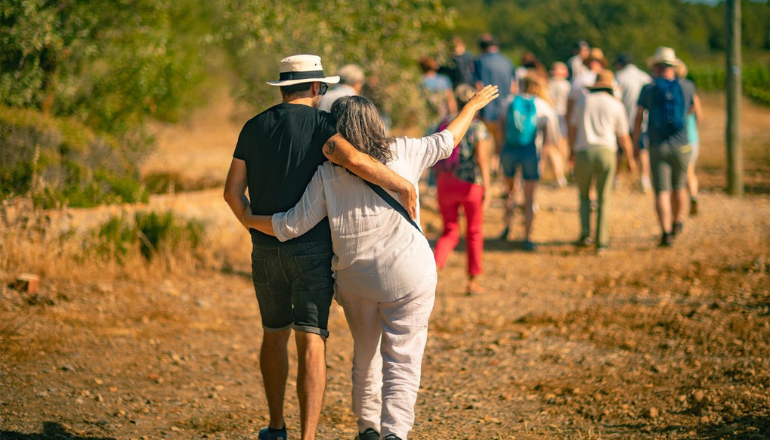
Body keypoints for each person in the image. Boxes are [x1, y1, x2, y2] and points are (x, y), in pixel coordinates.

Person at [242, 87, 500, 440]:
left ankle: (367, 426)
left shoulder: (326, 173)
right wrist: (472, 106)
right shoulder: (405, 151)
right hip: (408, 273)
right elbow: (448, 140)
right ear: (376, 122)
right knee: (403, 358)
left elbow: (291, 225)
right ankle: (394, 431)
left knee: (365, 355)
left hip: (356, 280)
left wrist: (248, 217)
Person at [223, 54, 418, 440]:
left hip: (265, 248)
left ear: (282, 88)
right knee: (311, 338)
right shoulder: (323, 126)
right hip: (311, 251)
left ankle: (276, 427)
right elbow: (354, 160)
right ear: (316, 88)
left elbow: (231, 192)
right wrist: (402, 184)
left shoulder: (253, 126)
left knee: (273, 333)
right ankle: (307, 437)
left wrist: (250, 221)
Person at [433, 85, 493, 295]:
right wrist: (488, 187)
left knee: (449, 231)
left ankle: (434, 270)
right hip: (470, 185)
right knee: (474, 231)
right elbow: (482, 160)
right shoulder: (477, 127)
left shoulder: (442, 123)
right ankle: (473, 282)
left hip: (445, 182)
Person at [633, 47, 697, 247]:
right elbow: (692, 110)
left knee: (661, 190)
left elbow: (638, 118)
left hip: (657, 146)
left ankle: (666, 232)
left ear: (655, 67)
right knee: (679, 187)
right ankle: (677, 222)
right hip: (682, 145)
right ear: (674, 67)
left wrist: (637, 143)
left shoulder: (648, 89)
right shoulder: (687, 86)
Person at [569, 70, 637, 253]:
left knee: (584, 195)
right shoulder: (616, 104)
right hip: (607, 152)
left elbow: (573, 128)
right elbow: (623, 136)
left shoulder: (583, 101)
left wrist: (571, 151)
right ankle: (602, 241)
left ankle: (585, 233)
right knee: (604, 198)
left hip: (584, 151)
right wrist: (630, 158)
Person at [497, 75, 560, 251]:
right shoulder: (542, 105)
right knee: (530, 196)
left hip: (509, 149)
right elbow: (549, 135)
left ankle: (507, 227)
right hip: (530, 152)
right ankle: (528, 236)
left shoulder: (509, 101)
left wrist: (500, 150)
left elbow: (500, 126)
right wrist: (544, 155)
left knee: (509, 191)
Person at [614, 53, 653, 192]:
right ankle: (644, 179)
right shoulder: (644, 77)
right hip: (643, 119)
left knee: (619, 150)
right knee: (643, 149)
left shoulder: (619, 77)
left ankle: (616, 179)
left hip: (623, 119)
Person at [473, 34, 515, 155]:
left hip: (487, 108)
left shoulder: (480, 61)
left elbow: (478, 85)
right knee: (501, 139)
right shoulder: (507, 61)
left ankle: (488, 168)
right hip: (505, 108)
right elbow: (514, 86)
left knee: (484, 139)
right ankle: (498, 166)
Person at [675, 61, 703, 216]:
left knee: (681, 174)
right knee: (690, 171)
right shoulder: (690, 90)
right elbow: (699, 114)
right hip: (692, 138)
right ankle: (693, 195)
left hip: (678, 138)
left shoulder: (673, 89)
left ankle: (681, 207)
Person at [549, 62, 572, 177]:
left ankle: (559, 175)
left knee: (552, 146)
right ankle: (563, 171)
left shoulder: (548, 84)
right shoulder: (567, 85)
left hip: (552, 115)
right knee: (562, 145)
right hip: (563, 115)